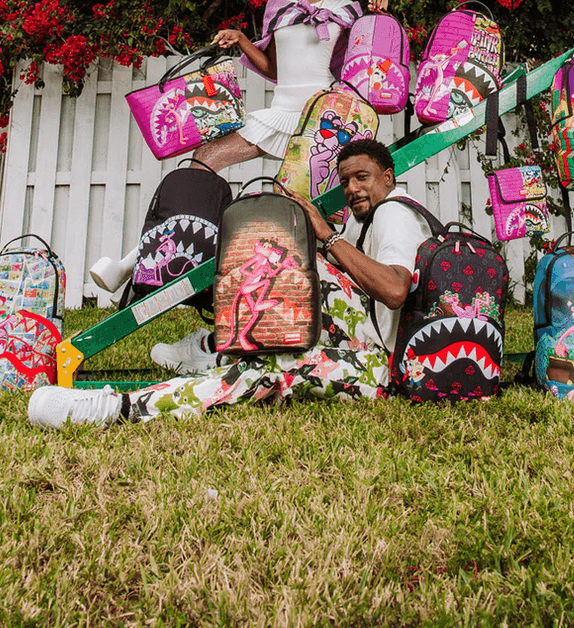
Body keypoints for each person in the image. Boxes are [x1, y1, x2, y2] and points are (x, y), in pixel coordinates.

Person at [29, 140, 435, 428]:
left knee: (269, 369)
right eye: (346, 181)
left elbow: (394, 290)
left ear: (388, 176)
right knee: (292, 263)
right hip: (369, 341)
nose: (352, 189)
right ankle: (220, 347)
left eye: (362, 177)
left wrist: (327, 237)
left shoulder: (394, 214)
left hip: (385, 368)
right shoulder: (375, 217)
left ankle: (117, 409)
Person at [89, 0, 388, 293]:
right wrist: (242, 39)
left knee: (312, 208)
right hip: (280, 112)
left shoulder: (345, 9)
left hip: (320, 120)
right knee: (204, 159)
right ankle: (139, 259)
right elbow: (274, 69)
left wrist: (379, 8)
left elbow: (367, 53)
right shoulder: (279, 5)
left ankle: (349, 283)